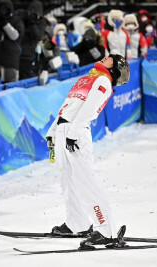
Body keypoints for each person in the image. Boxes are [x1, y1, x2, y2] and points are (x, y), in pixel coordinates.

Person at [45, 54, 130, 248]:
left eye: (109, 59)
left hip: (76, 133)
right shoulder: (86, 78)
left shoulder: (103, 81)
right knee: (67, 179)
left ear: (114, 68)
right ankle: (78, 223)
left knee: (85, 181)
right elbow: (67, 107)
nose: (104, 57)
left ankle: (105, 230)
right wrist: (54, 130)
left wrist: (73, 133)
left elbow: (90, 109)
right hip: (65, 130)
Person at [0, 0, 25, 83]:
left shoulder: (17, 21)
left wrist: (4, 24)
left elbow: (15, 36)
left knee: (9, 85)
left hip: (10, 60)